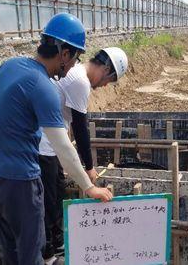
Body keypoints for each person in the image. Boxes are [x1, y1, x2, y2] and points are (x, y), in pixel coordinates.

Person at [0, 13, 113, 265]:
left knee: (11, 247)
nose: (74, 65)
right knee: (31, 253)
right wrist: (89, 187)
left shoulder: (9, 65)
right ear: (64, 54)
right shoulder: (43, 87)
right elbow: (63, 147)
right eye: (75, 58)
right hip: (18, 184)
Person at [38, 47, 129, 263]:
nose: (106, 85)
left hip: (51, 145)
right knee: (49, 203)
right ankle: (48, 254)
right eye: (110, 79)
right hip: (43, 146)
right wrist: (88, 167)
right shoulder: (79, 81)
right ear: (105, 68)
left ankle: (57, 245)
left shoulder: (76, 74)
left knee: (56, 194)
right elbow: (80, 129)